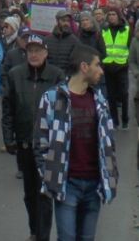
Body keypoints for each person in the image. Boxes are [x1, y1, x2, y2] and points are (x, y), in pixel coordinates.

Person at [35, 45, 118, 241]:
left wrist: (110, 175)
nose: (101, 70)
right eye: (97, 65)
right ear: (83, 67)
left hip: (93, 185)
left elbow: (108, 143)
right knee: (67, 238)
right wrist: (49, 174)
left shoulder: (99, 100)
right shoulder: (52, 98)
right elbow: (40, 142)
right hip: (67, 184)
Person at [2, 33, 63, 241]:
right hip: (25, 143)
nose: (34, 54)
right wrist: (8, 138)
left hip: (49, 145)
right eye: (30, 50)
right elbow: (8, 108)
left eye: (38, 50)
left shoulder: (57, 76)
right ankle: (34, 230)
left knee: (44, 193)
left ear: (46, 53)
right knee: (30, 193)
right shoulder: (15, 75)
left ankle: (42, 236)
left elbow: (63, 111)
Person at [101, 6, 130, 130]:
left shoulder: (127, 29)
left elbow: (130, 46)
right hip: (108, 66)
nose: (111, 17)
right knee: (111, 96)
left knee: (124, 94)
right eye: (109, 14)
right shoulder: (104, 29)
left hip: (122, 65)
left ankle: (125, 119)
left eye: (113, 14)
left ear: (118, 16)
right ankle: (114, 120)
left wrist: (128, 61)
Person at [44, 9, 81, 74]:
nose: (66, 23)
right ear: (57, 21)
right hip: (50, 78)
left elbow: (77, 62)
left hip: (66, 79)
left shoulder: (75, 41)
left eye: (68, 21)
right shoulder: (47, 40)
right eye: (63, 20)